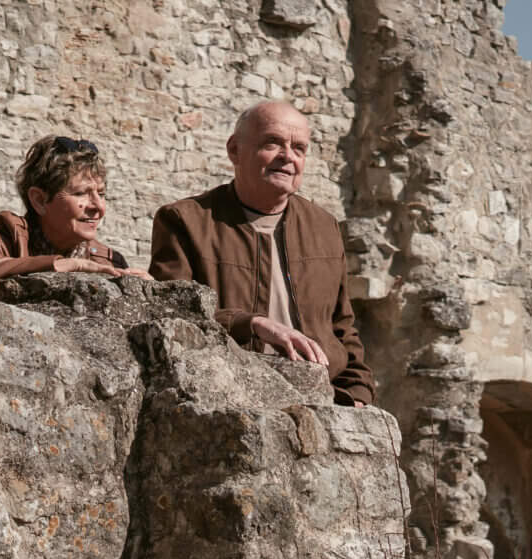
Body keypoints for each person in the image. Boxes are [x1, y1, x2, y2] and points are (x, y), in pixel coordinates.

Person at [148, 101, 372, 406]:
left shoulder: (324, 227)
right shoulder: (184, 221)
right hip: (228, 399)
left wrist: (357, 394)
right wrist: (251, 324)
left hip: (323, 402)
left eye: (299, 148)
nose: (287, 157)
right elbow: (171, 315)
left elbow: (342, 328)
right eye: (272, 143)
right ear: (234, 150)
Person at [0, 135, 130, 279]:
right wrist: (62, 265)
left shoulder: (110, 261)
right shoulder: (5, 232)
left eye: (101, 194)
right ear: (39, 200)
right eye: (81, 193)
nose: (99, 207)